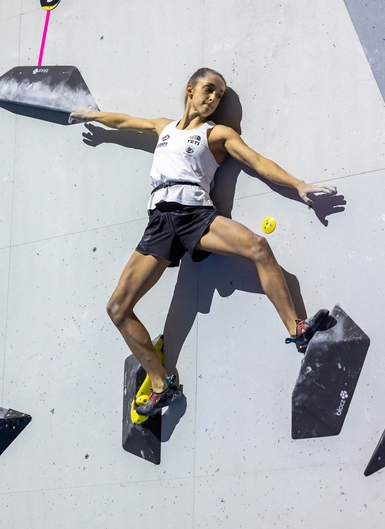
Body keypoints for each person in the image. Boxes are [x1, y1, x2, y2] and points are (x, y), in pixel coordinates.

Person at [69, 67, 337, 417]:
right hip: (160, 223)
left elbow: (258, 162)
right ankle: (161, 385)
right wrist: (93, 116)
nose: (213, 98)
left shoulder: (218, 134)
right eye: (209, 90)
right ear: (190, 89)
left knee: (258, 246)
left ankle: (297, 328)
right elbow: (124, 121)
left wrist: (298, 184)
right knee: (117, 308)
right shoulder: (163, 127)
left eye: (220, 95)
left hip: (197, 215)